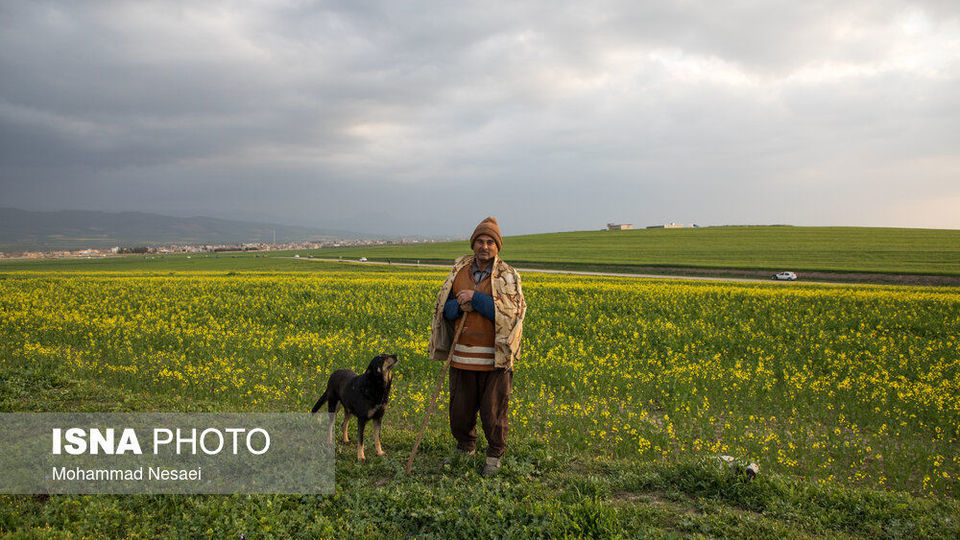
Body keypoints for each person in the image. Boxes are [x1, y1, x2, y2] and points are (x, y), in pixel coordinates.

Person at [428, 216, 526, 476]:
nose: (485, 246)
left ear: (498, 247)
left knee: (493, 412)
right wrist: (458, 305)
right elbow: (443, 312)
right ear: (473, 245)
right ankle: (465, 448)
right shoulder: (458, 273)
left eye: (490, 242)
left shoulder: (508, 276)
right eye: (480, 241)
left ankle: (494, 455)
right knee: (460, 410)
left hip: (495, 359)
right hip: (461, 356)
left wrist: (477, 299)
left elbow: (512, 314)